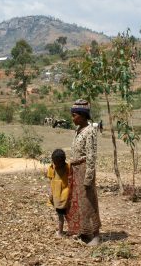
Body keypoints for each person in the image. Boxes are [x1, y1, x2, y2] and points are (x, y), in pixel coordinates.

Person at [66, 99, 101, 246]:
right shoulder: (78, 130)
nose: (72, 119)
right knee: (80, 202)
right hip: (76, 170)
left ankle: (96, 235)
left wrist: (89, 177)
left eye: (74, 116)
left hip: (84, 169)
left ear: (82, 115)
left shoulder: (90, 131)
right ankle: (84, 231)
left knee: (89, 201)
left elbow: (91, 155)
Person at [47, 148, 70, 238]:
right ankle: (64, 230)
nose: (56, 164)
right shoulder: (52, 168)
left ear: (63, 161)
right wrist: (50, 191)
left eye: (58, 163)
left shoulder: (67, 168)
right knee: (60, 215)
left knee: (63, 215)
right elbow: (50, 180)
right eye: (55, 162)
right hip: (56, 196)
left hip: (65, 196)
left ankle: (60, 233)